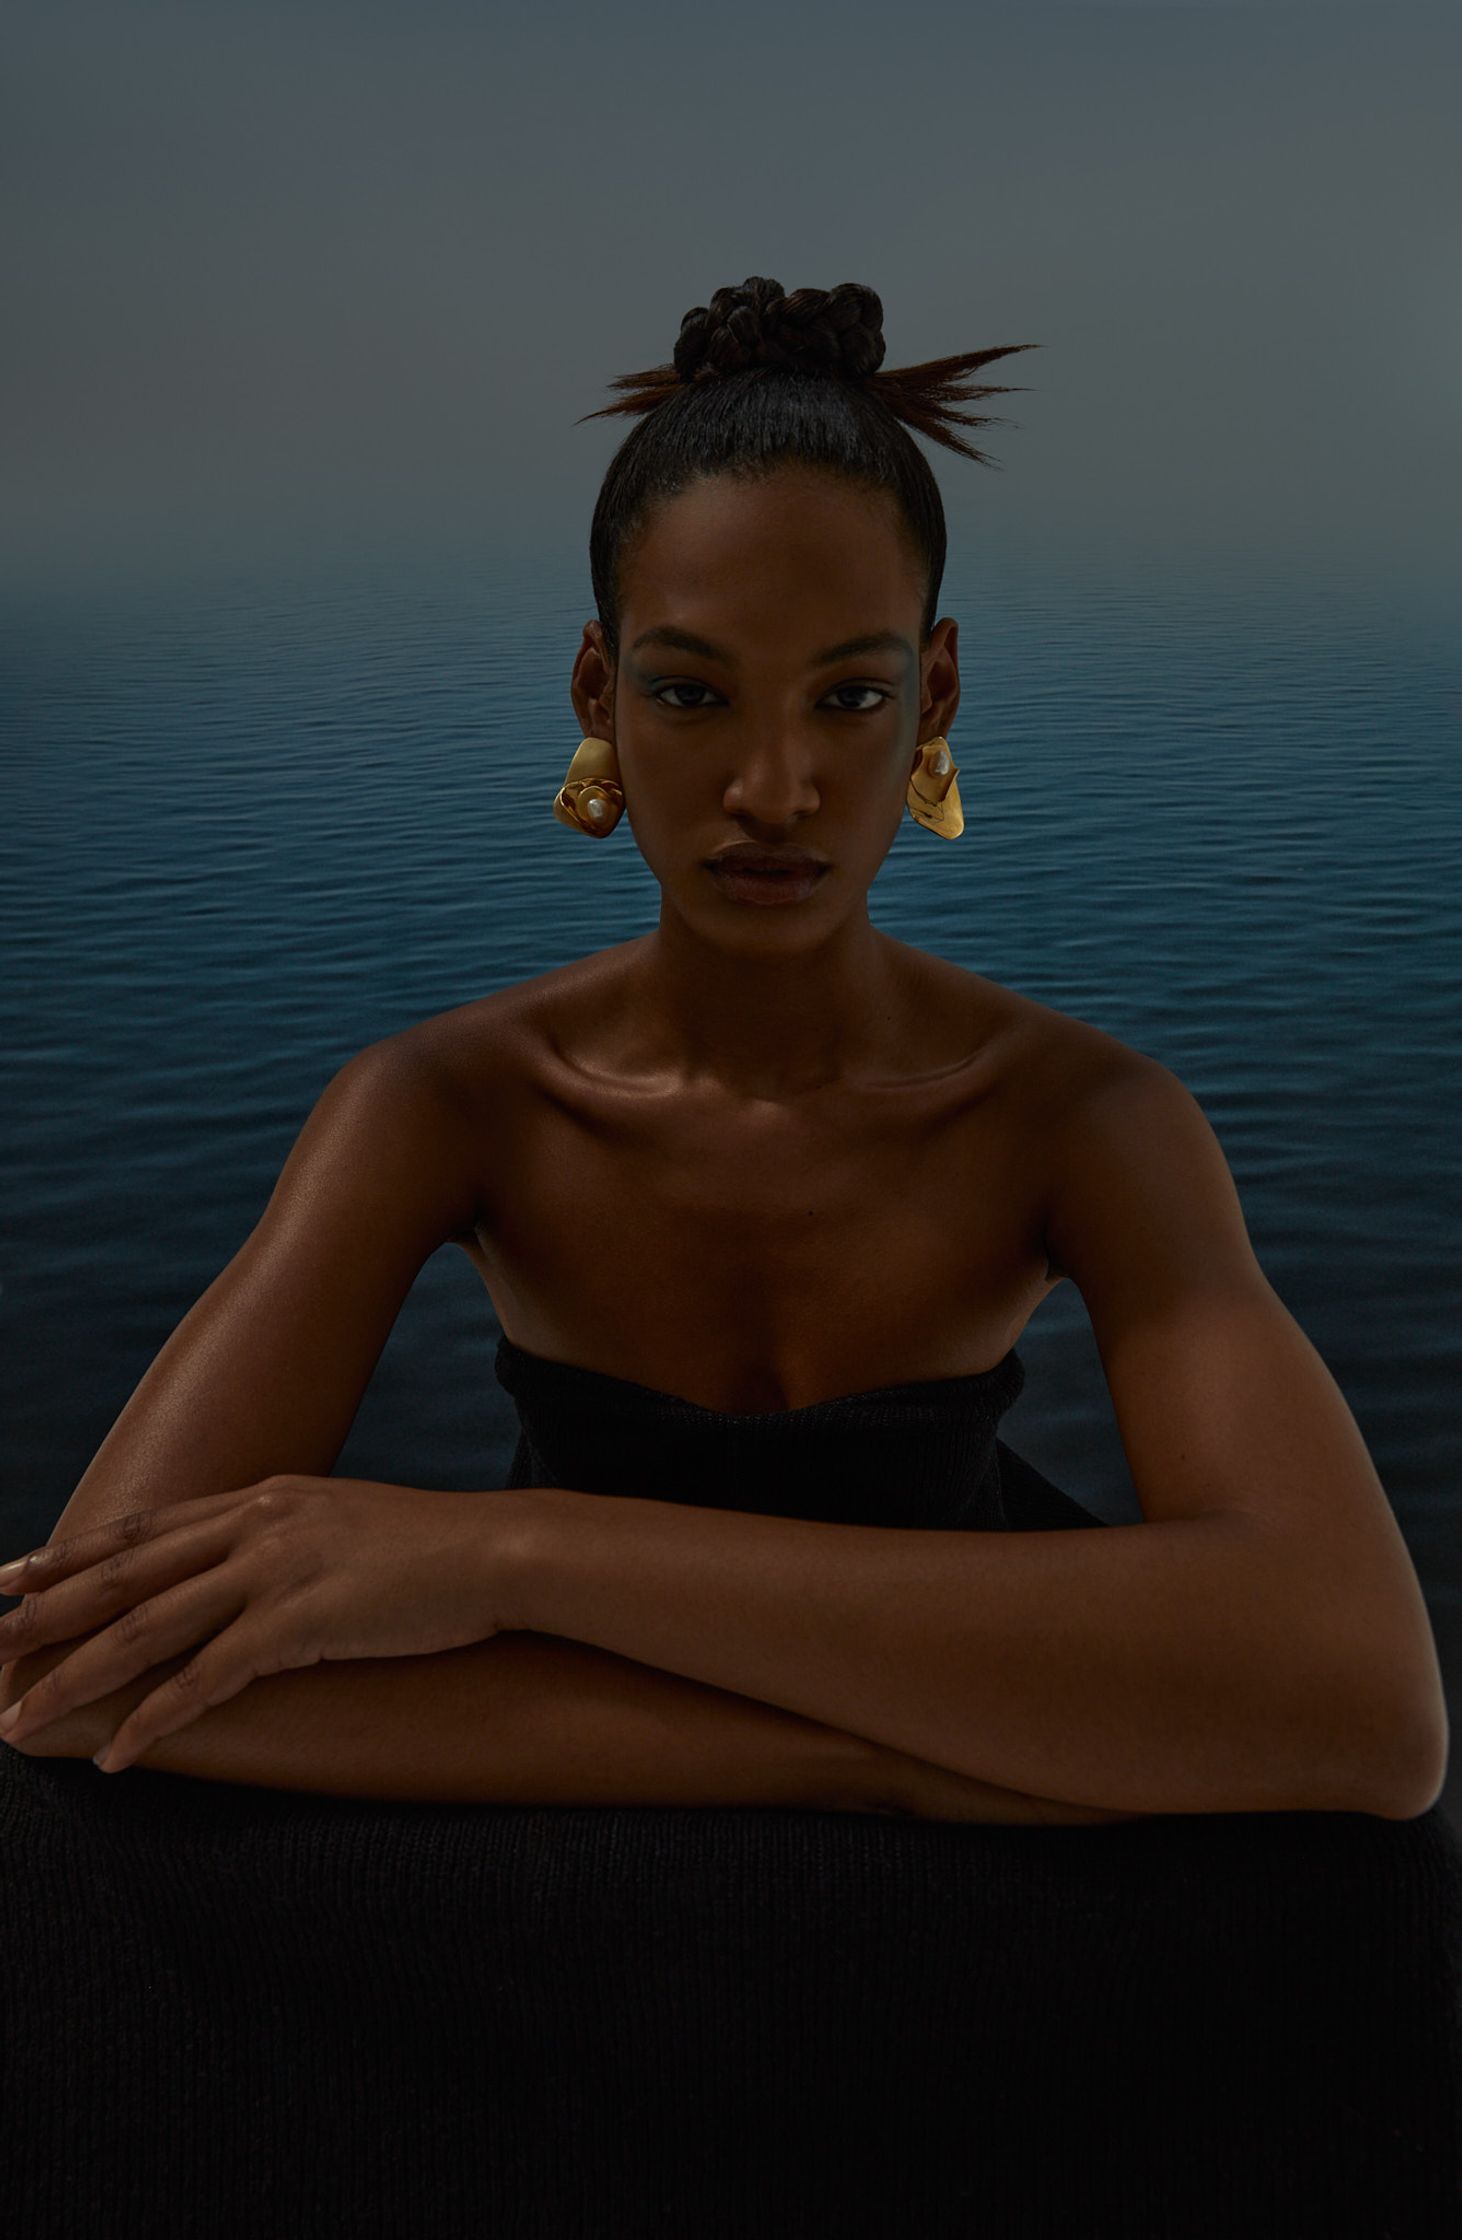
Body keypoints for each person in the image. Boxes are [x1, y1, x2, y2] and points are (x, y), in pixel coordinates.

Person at [2, 277, 1460, 2237]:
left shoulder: (1078, 1117)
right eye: (692, 692)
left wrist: (503, 1553)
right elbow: (79, 1662)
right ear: (596, 694)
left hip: (686, 1713)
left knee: (1371, 1893)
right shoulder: (442, 1101)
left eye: (844, 697)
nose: (770, 790)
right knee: (61, 1849)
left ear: (932, 698)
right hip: (913, 1750)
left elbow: (1367, 1700)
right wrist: (897, 1757)